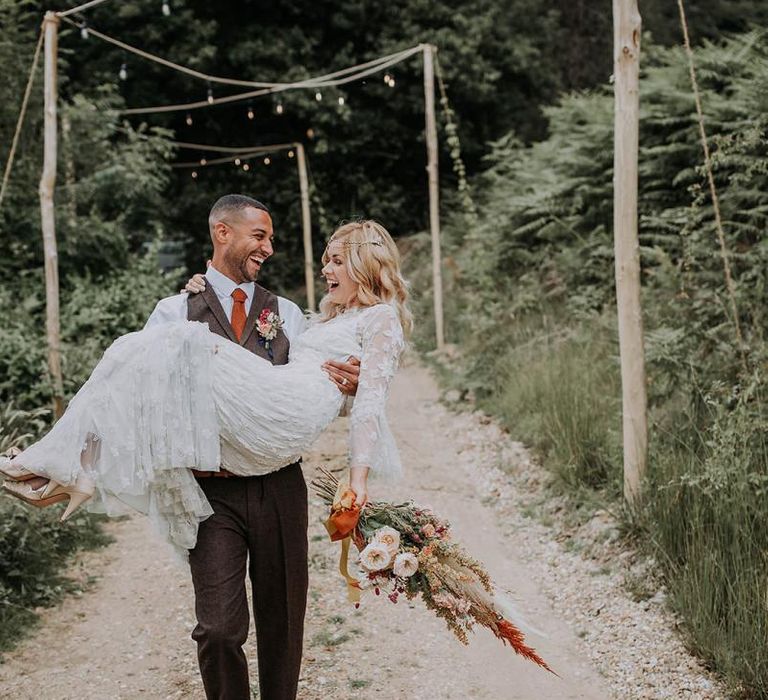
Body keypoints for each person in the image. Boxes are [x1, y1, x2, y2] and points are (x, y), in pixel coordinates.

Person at [1, 198, 410, 700]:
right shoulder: (173, 311)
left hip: (278, 484)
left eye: (271, 238)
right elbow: (140, 399)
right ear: (222, 232)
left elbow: (319, 392)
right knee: (217, 629)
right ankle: (75, 464)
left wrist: (351, 393)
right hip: (212, 491)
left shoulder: (287, 313)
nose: (270, 248)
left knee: (284, 621)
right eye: (259, 236)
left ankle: (71, 465)